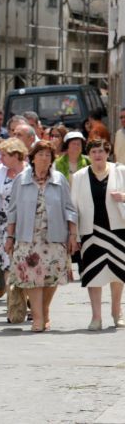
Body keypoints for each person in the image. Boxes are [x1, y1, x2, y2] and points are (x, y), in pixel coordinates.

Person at [4, 141, 78, 332]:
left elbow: (70, 209)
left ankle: (44, 310)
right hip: (28, 238)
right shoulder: (21, 179)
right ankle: (37, 317)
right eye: (40, 154)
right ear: (32, 157)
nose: (44, 158)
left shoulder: (59, 179)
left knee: (51, 276)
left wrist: (72, 235)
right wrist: (10, 237)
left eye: (48, 155)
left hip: (54, 237)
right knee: (31, 278)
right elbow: (12, 211)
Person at [69, 139, 125, 330]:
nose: (98, 155)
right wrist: (74, 236)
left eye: (101, 151)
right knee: (94, 275)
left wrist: (124, 197)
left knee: (118, 275)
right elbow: (73, 208)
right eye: (93, 152)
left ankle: (117, 314)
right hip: (91, 232)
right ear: (89, 154)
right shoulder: (79, 176)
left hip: (118, 230)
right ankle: (96, 317)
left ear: (107, 152)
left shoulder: (121, 171)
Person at [0, 138, 29, 302]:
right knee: (6, 262)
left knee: (26, 263)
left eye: (4, 155)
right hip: (4, 225)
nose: (1, 159)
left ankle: (29, 300)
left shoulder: (29, 172)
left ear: (16, 155)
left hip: (25, 224)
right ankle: (13, 304)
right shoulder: (0, 171)